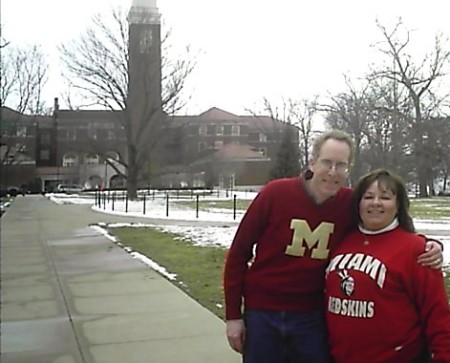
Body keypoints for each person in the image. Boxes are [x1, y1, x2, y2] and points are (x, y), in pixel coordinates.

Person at [223, 130, 444, 363]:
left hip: (312, 316)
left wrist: (429, 245)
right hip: (263, 313)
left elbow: (384, 228)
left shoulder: (348, 204)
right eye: (327, 162)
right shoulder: (275, 194)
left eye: (341, 165)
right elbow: (238, 254)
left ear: (348, 168)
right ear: (312, 162)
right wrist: (233, 316)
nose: (332, 172)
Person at [325, 168, 450, 363]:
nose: (375, 203)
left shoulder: (417, 250)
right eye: (368, 197)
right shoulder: (341, 240)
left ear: (398, 205)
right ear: (358, 203)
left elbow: (437, 312)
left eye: (385, 197)